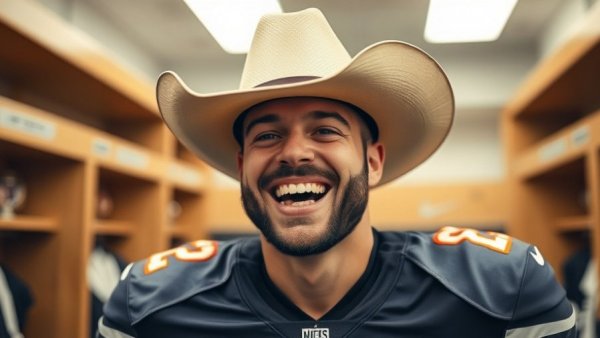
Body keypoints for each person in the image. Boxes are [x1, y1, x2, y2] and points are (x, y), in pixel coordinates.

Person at [98, 8, 576, 338]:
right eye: (266, 135)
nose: (294, 153)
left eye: (325, 130)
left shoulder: (502, 290)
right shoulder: (148, 305)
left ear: (372, 160)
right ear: (242, 167)